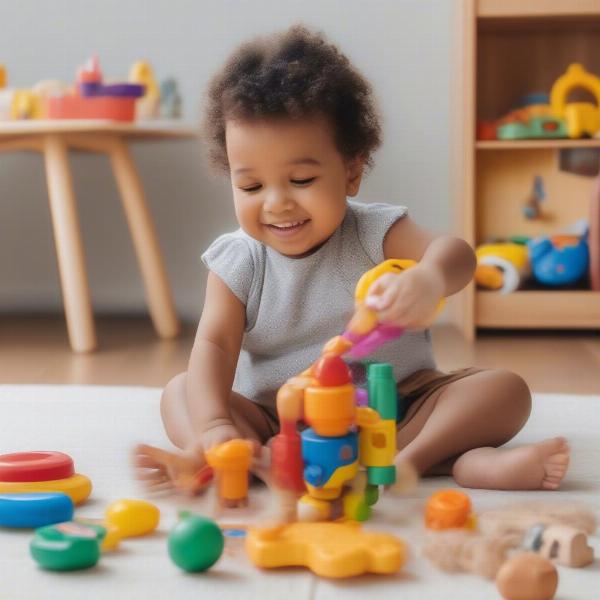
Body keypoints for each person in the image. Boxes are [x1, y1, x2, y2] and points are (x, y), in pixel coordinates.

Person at [134, 25, 569, 494]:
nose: (277, 203)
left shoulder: (374, 232)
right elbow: (215, 347)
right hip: (280, 422)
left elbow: (458, 254)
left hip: (397, 410)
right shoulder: (237, 260)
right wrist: (217, 424)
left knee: (504, 390)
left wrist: (430, 278)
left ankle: (408, 463)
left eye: (301, 180)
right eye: (252, 186)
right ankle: (229, 455)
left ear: (352, 172)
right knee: (182, 392)